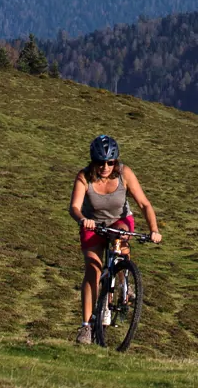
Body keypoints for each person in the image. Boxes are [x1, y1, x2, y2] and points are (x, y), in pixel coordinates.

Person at [67, 134, 161, 344]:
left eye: (110, 162)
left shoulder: (124, 174)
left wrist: (154, 229)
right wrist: (83, 219)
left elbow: (144, 204)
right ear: (94, 162)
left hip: (120, 220)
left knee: (120, 238)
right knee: (93, 269)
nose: (105, 167)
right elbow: (74, 207)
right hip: (93, 224)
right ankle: (86, 327)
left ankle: (124, 281)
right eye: (101, 163)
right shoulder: (84, 177)